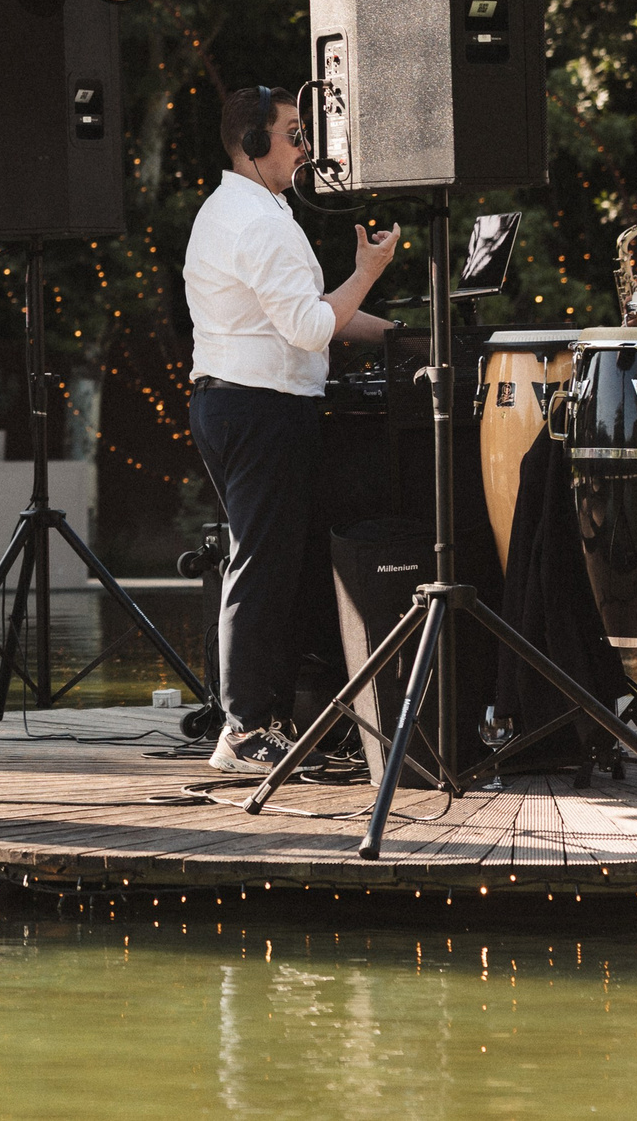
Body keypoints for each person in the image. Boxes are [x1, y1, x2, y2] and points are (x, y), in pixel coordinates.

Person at [184, 86, 399, 773]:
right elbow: (312, 326)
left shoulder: (253, 210)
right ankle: (245, 730)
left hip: (249, 405)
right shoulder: (256, 222)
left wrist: (403, 333)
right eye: (293, 134)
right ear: (253, 144)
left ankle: (270, 720)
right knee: (260, 565)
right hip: (258, 409)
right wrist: (367, 273)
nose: (306, 147)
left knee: (277, 565)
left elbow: (314, 313)